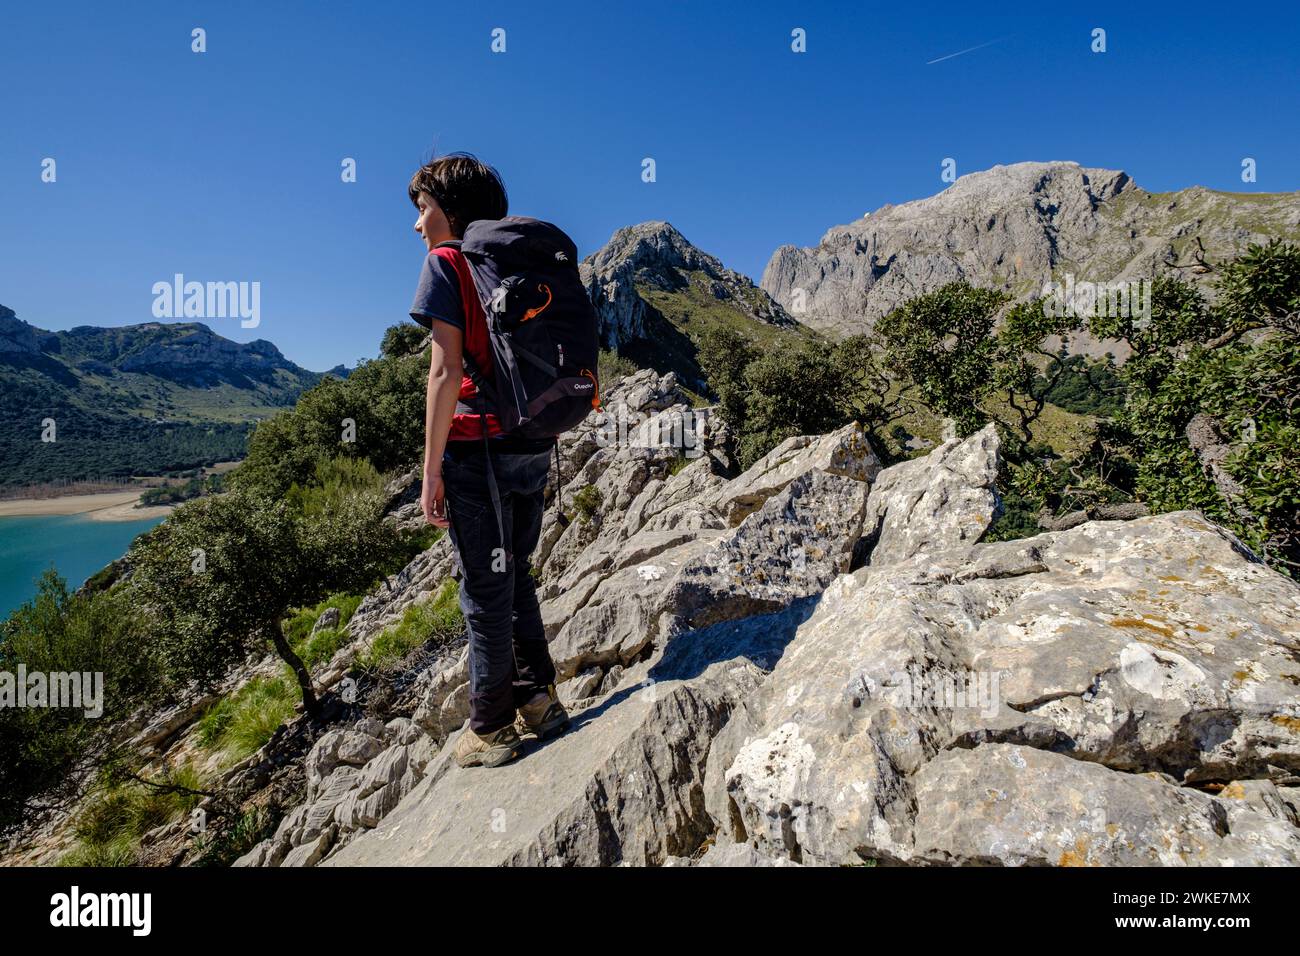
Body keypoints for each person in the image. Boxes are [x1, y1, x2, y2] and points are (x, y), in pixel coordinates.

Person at [408, 153, 570, 769]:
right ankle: (540, 701)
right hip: (533, 439)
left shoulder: (446, 264)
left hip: (475, 446)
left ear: (451, 211)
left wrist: (430, 471)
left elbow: (445, 372)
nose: (418, 225)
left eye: (423, 210)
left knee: (483, 587)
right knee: (516, 572)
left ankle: (492, 726)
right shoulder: (518, 262)